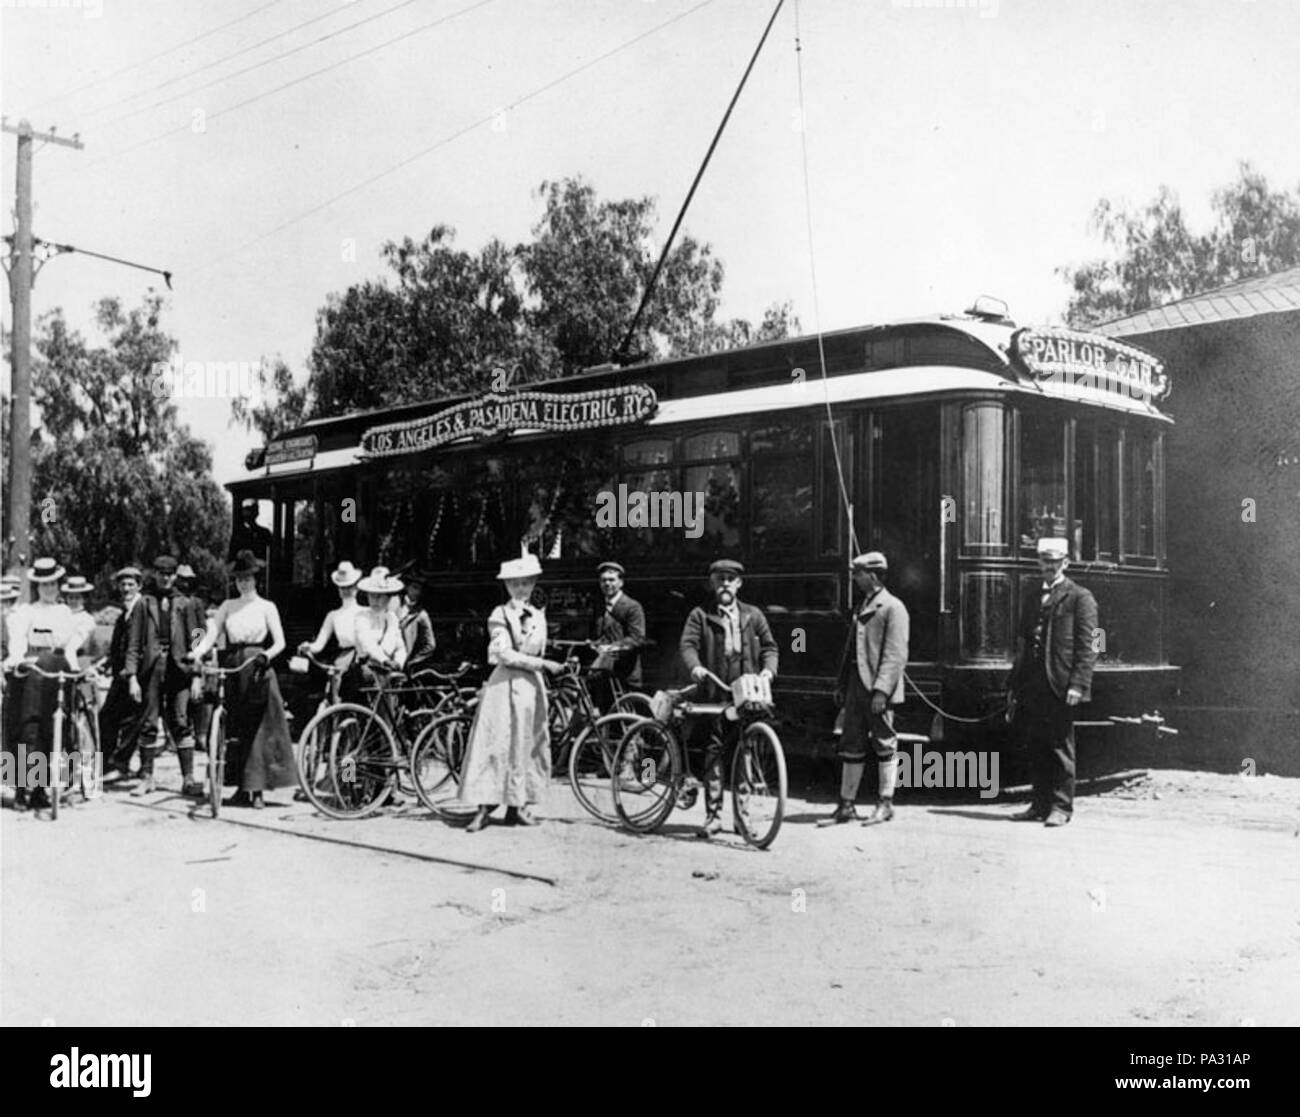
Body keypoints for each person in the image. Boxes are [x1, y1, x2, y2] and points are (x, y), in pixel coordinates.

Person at [458, 553, 565, 833]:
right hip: (505, 685)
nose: (521, 589)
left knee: (525, 744)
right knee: (496, 743)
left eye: (526, 584)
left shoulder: (539, 616)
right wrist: (543, 664)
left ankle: (517, 806)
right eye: (515, 584)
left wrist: (542, 665)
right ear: (507, 586)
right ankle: (483, 807)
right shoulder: (499, 615)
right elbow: (504, 654)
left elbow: (536, 647)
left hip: (531, 687)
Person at [186, 550, 296, 809]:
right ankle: (238, 788)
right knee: (234, 726)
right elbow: (211, 632)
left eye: (247, 578)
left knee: (259, 727)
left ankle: (257, 789)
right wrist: (198, 651)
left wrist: (266, 656)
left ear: (255, 580)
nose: (243, 583)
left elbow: (280, 642)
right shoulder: (227, 606)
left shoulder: (267, 607)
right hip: (233, 663)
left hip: (257, 664)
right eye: (239, 579)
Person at [678, 559, 779, 839]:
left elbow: (770, 646)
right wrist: (695, 666)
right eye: (719, 579)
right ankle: (713, 816)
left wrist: (768, 672)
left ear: (739, 584)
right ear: (712, 583)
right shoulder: (701, 615)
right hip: (715, 693)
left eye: (730, 579)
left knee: (744, 753)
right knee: (715, 752)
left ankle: (742, 819)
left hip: (745, 693)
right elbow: (688, 645)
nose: (725, 584)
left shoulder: (753, 615)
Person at [1006, 536, 1099, 827]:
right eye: (1044, 561)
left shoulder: (1080, 597)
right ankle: (1039, 803)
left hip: (1059, 683)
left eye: (1054, 562)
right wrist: (1015, 682)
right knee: (1036, 745)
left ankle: (1061, 807)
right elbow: (1023, 642)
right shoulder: (1033, 596)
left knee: (1060, 745)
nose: (1048, 567)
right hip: (1033, 683)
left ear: (1065, 563)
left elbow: (1088, 646)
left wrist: (1078, 684)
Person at [823, 552, 910, 827]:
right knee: (851, 742)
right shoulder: (862, 605)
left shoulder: (893, 607)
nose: (855, 578)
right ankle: (846, 805)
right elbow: (851, 650)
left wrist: (882, 692)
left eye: (858, 573)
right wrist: (841, 685)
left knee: (885, 743)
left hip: (876, 691)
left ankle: (885, 804)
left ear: (872, 575)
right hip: (856, 688)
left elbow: (895, 655)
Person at [2, 558, 82, 810]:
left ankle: (42, 789)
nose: (49, 588)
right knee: (27, 727)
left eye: (54, 584)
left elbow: (69, 645)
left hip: (57, 668)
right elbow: (17, 642)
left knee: (56, 726)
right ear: (37, 585)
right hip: (33, 669)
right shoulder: (27, 611)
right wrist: (15, 660)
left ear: (59, 586)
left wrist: (74, 666)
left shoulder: (64, 612)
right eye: (44, 584)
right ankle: (20, 790)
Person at [131, 555, 208, 797]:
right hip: (151, 669)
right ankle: (147, 777)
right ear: (154, 574)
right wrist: (133, 676)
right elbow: (133, 643)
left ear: (175, 576)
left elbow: (198, 639)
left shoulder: (185, 603)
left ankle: (188, 778)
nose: (165, 578)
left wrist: (196, 674)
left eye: (170, 574)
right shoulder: (144, 603)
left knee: (181, 721)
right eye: (161, 573)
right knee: (149, 722)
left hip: (179, 668)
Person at [100, 567, 147, 780]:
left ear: (139, 586)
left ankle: (122, 764)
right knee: (107, 716)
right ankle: (108, 763)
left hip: (137, 674)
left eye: (131, 584)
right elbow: (119, 645)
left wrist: (131, 674)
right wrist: (107, 663)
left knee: (133, 720)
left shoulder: (143, 608)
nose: (126, 588)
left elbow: (140, 645)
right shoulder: (124, 611)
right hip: (121, 674)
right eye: (123, 584)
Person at [589, 561, 646, 712]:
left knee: (627, 722)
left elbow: (637, 638)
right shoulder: (599, 607)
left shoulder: (632, 607)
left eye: (612, 580)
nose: (607, 584)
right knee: (606, 718)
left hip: (625, 675)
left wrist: (613, 647)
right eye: (603, 580)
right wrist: (595, 644)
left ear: (621, 582)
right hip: (605, 675)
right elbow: (599, 634)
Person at [397, 573, 437, 677]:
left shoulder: (421, 615)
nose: (417, 592)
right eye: (414, 587)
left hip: (403, 661)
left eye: (420, 589)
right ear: (407, 587)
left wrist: (412, 662)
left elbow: (430, 645)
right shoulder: (394, 605)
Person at [227, 499, 273, 564]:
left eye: (251, 510)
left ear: (256, 512)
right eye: (246, 510)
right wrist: (239, 556)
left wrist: (254, 560)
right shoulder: (238, 534)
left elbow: (271, 562)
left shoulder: (265, 533)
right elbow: (230, 561)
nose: (248, 513)